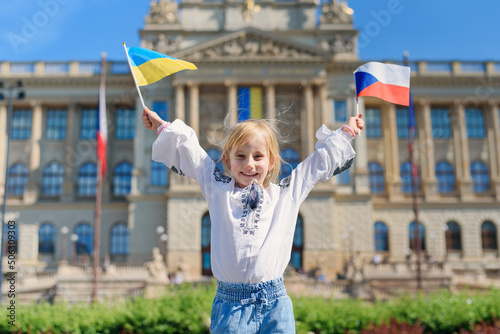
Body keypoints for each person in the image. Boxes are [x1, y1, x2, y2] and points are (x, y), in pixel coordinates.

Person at [142, 106, 364, 333]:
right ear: (227, 161)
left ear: (272, 162)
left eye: (258, 156)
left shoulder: (286, 194)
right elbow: (193, 154)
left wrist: (347, 131)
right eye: (241, 156)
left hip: (275, 305)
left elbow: (317, 164)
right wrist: (162, 126)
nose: (249, 164)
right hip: (230, 306)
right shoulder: (217, 189)